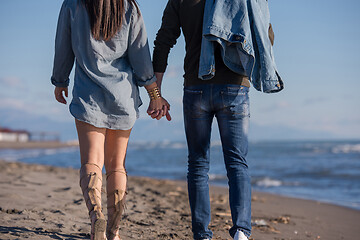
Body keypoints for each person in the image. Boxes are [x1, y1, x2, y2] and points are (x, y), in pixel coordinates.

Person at [152, 0, 283, 239]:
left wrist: (156, 93)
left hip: (195, 88)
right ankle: (241, 231)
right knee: (237, 163)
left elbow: (163, 41)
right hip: (234, 88)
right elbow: (264, 35)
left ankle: (202, 234)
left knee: (198, 164)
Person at [51, 0, 170, 239]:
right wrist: (154, 94)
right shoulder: (129, 7)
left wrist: (60, 80)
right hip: (122, 97)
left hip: (88, 95)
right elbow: (141, 55)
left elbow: (63, 45)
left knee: (91, 162)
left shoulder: (73, 4)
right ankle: (113, 232)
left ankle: (96, 216)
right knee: (117, 166)